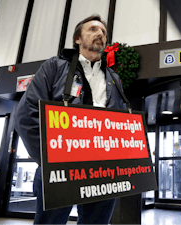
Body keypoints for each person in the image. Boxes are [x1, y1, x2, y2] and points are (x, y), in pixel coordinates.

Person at [14, 14, 127, 225]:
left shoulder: (113, 78)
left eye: (103, 32)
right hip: (59, 169)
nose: (100, 34)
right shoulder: (55, 67)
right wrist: (49, 158)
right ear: (77, 39)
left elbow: (120, 124)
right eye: (93, 29)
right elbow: (26, 115)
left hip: (103, 172)